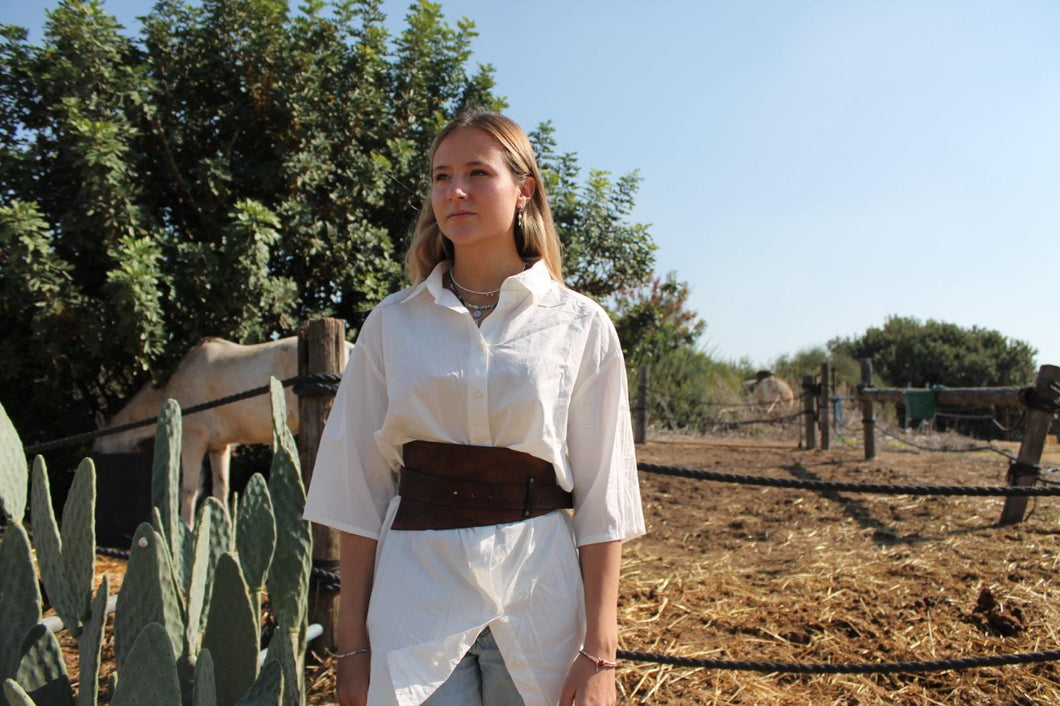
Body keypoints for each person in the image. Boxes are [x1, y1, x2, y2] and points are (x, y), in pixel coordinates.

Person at [303, 110, 644, 706]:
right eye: (440, 176)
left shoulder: (580, 325)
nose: (454, 191)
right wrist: (351, 646)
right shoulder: (391, 324)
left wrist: (600, 653)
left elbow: (604, 500)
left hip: (540, 605)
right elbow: (359, 494)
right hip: (415, 603)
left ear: (524, 191)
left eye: (477, 173)